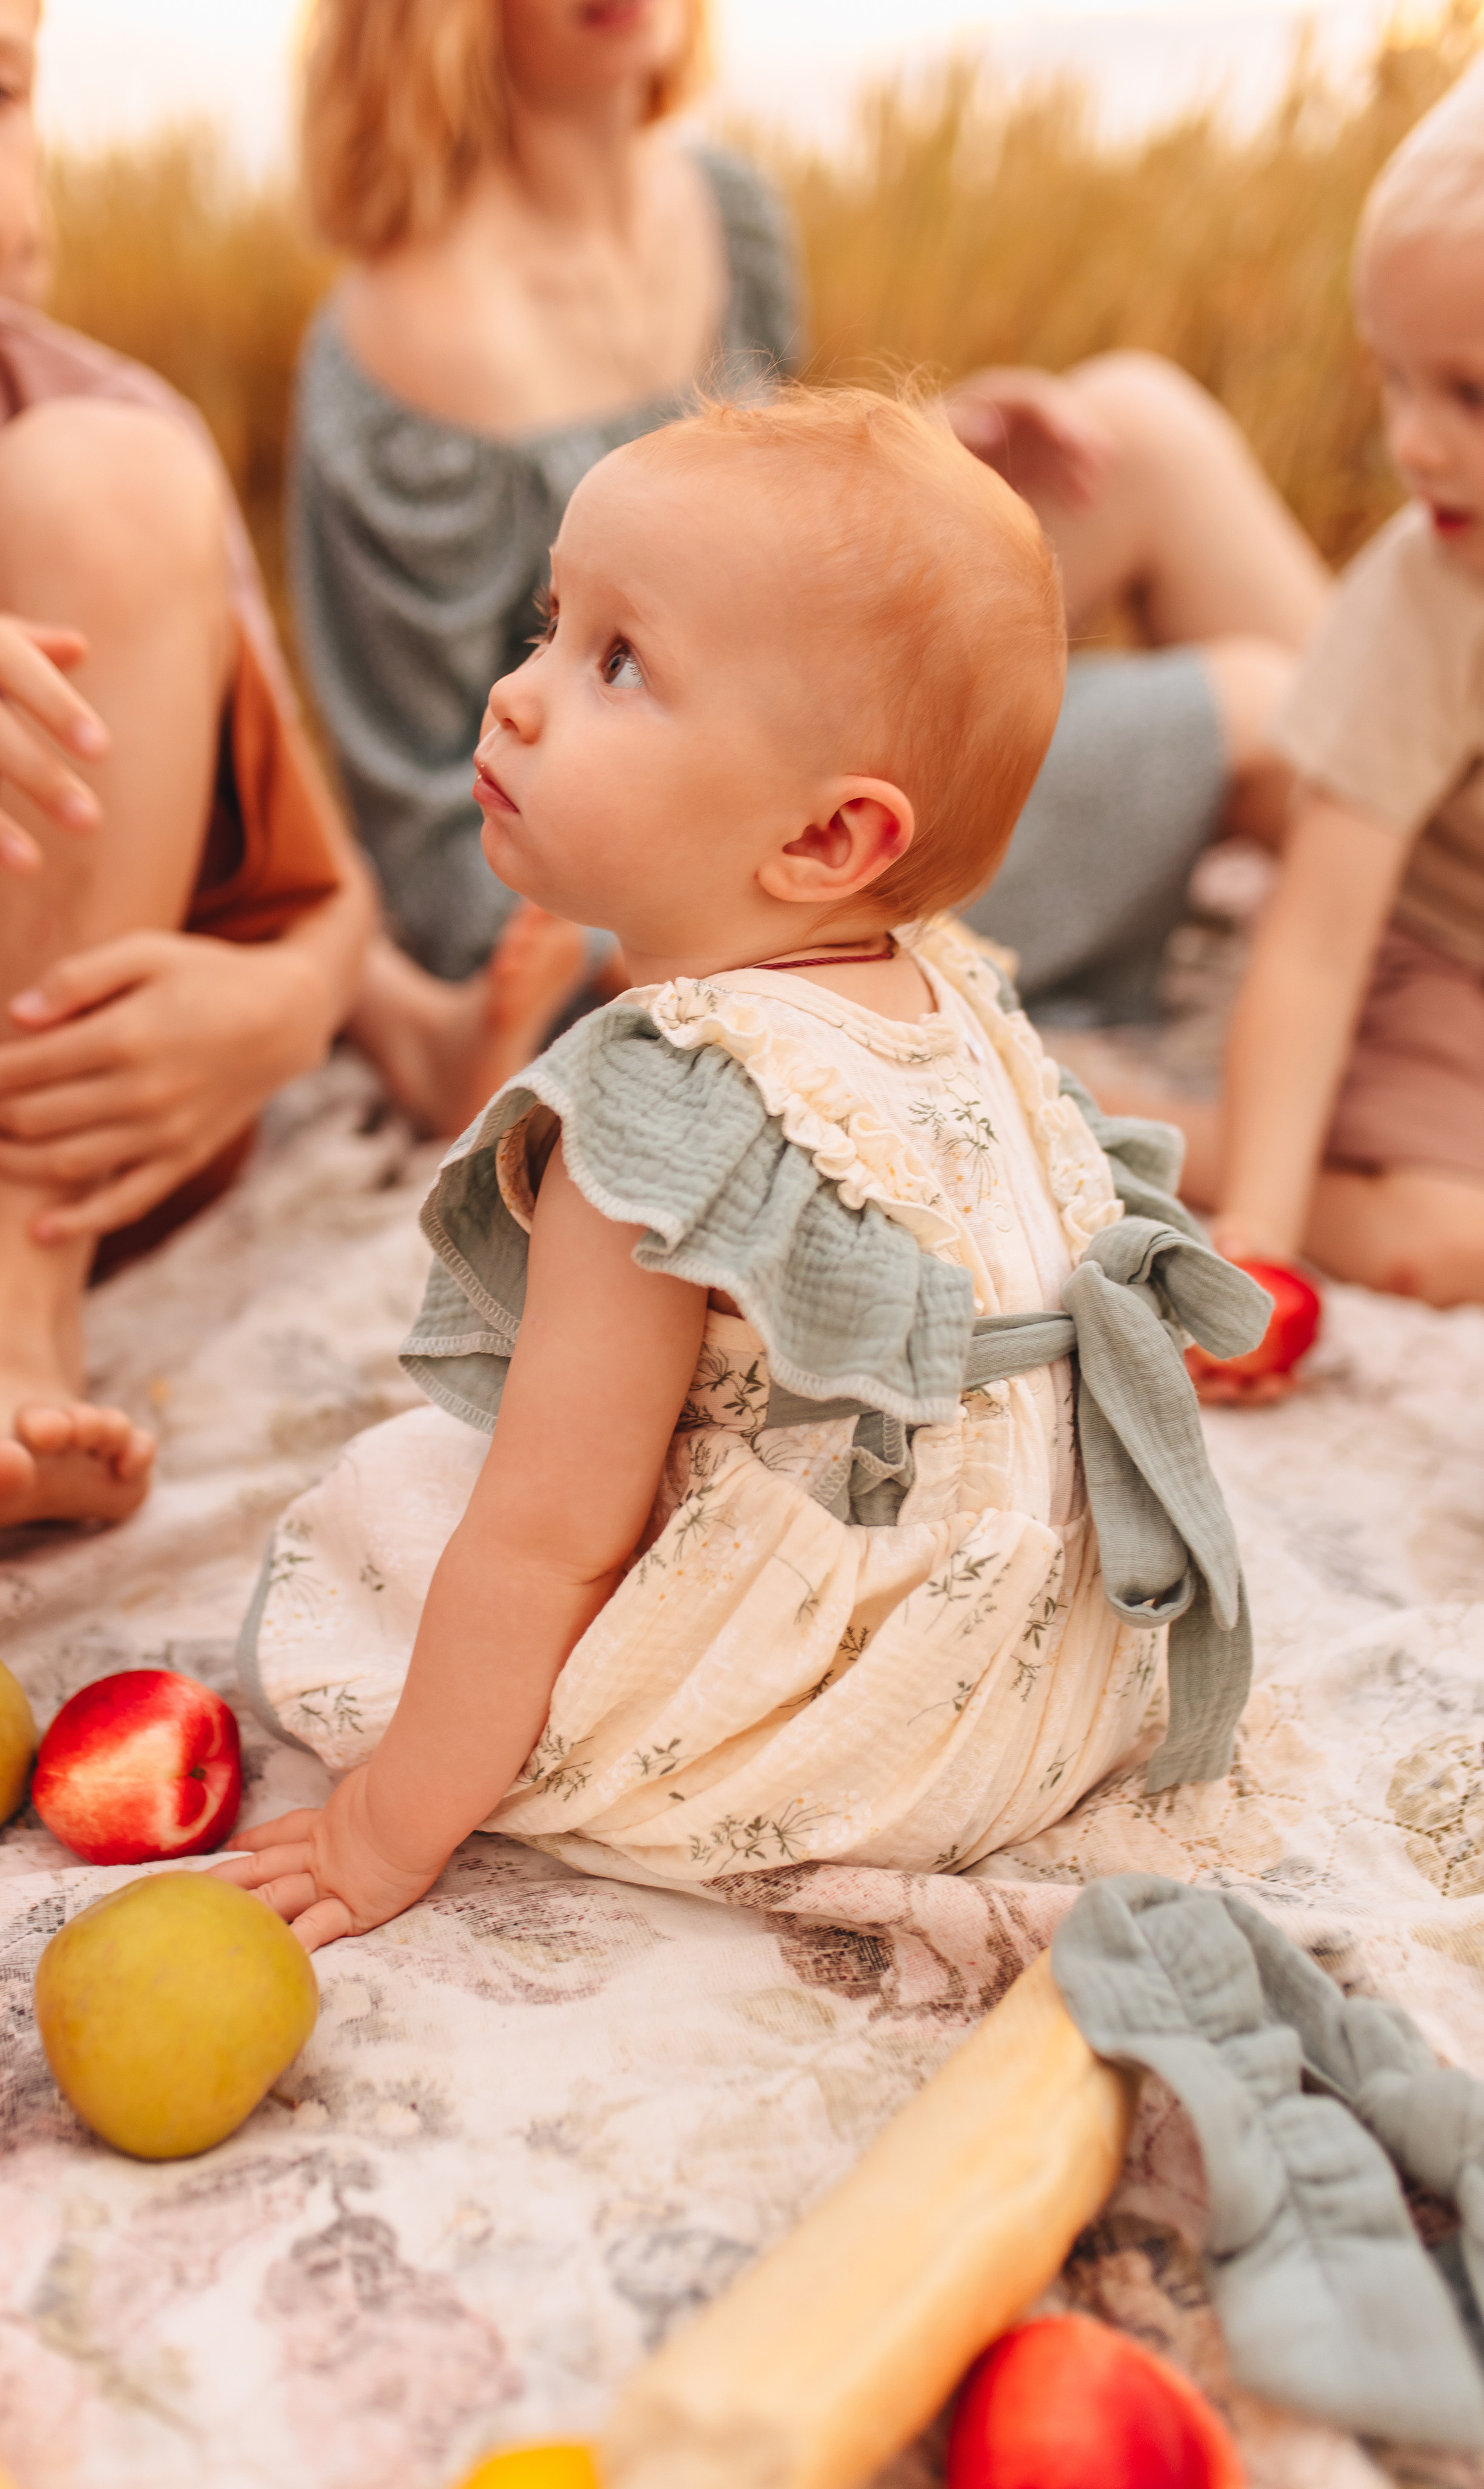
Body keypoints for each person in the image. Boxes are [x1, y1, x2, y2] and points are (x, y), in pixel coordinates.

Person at [216, 389, 1266, 1947]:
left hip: (853, 1736)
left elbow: (550, 1532)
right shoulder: (945, 985)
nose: (516, 697)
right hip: (1056, 1678)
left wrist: (379, 1831)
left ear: (827, 840)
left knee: (387, 1520)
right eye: (548, 623)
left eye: (617, 663)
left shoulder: (666, 1109)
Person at [289, 0, 1330, 1139]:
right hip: (675, 857)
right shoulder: (404, 338)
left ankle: (1440, 838)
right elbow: (438, 841)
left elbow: (762, 544)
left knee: (1139, 426)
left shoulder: (727, 212)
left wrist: (932, 459)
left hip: (777, 703)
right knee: (1261, 706)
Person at [0, 0, 381, 1563]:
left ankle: (5, 1317)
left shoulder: (96, 410)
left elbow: (324, 895)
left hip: (39, 1085)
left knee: (112, 468)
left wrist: (284, 1011)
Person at [1201, 69, 1484, 1359]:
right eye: (1392, 381)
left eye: (1468, 394)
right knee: (1441, 1241)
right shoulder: (1433, 589)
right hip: (1426, 958)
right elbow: (1315, 940)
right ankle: (1166, 1131)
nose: (1413, 446)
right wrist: (1255, 1236)